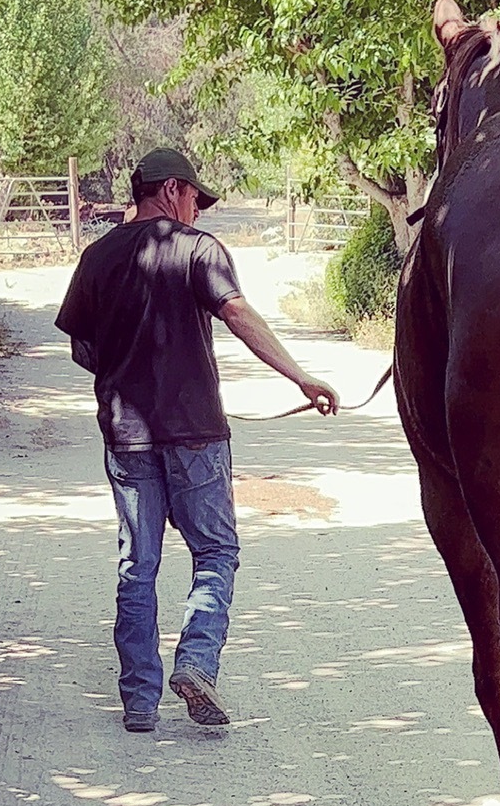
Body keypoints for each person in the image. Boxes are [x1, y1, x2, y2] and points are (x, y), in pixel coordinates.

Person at [55, 148, 340, 732]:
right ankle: (196, 663)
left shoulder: (97, 258)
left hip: (127, 438)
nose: (196, 211)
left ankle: (139, 701)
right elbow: (237, 315)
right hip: (196, 435)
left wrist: (127, 376)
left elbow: (83, 349)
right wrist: (301, 376)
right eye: (194, 198)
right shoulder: (198, 250)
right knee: (215, 554)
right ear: (172, 191)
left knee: (138, 564)